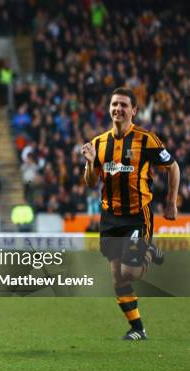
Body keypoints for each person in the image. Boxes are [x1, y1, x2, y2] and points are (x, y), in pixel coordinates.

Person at [82, 87, 179, 340]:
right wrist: (91, 162)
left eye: (124, 105)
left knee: (130, 272)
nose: (118, 109)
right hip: (110, 217)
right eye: (115, 104)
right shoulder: (99, 143)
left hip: (137, 214)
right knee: (117, 278)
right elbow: (91, 182)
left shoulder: (147, 140)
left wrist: (171, 201)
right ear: (109, 108)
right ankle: (138, 328)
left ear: (133, 110)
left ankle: (147, 250)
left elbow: (173, 167)